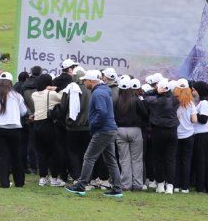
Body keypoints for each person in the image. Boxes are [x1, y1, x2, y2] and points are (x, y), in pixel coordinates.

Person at [65, 70, 123, 198]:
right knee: (110, 160)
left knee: (89, 157)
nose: (84, 82)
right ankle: (117, 188)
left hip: (103, 130)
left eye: (85, 80)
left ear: (91, 81)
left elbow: (101, 112)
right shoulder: (103, 91)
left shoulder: (98, 93)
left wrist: (94, 125)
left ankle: (81, 186)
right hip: (109, 129)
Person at [0, 72, 28, 188]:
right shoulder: (16, 96)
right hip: (14, 128)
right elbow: (23, 112)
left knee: (3, 156)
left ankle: (4, 182)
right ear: (11, 83)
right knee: (16, 155)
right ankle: (19, 182)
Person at [144, 78, 179, 194]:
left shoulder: (154, 101)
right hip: (172, 131)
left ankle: (160, 184)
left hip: (158, 130)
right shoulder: (174, 100)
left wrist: (155, 91)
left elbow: (145, 95)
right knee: (171, 159)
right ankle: (170, 185)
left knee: (158, 158)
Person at [114, 76, 148, 192]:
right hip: (135, 130)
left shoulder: (116, 101)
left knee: (124, 159)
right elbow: (145, 114)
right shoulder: (136, 100)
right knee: (137, 159)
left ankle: (126, 184)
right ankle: (137, 184)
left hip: (120, 131)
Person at [31, 73, 64, 187]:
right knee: (54, 152)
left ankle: (42, 178)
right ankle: (54, 178)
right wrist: (57, 88)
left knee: (41, 152)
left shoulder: (34, 94)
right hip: (48, 125)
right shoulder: (52, 94)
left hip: (36, 125)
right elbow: (64, 96)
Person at [59, 66, 91, 183]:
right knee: (86, 153)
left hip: (72, 127)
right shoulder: (90, 90)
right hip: (87, 127)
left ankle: (76, 176)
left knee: (73, 152)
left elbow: (63, 107)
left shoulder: (69, 89)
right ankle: (86, 177)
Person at [174, 78, 197, 193]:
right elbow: (194, 120)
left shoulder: (174, 102)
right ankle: (185, 187)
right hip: (188, 134)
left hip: (176, 135)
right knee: (186, 160)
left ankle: (176, 185)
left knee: (176, 160)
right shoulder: (191, 103)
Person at [192, 81, 208, 194]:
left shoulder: (205, 103)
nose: (193, 92)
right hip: (204, 134)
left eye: (194, 90)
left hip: (203, 134)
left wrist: (192, 114)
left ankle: (202, 186)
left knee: (202, 161)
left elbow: (204, 119)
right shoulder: (202, 102)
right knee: (205, 161)